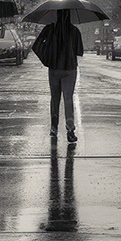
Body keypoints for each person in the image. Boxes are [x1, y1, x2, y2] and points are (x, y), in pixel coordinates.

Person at [33, 9, 84, 146]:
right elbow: (79, 51)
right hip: (70, 69)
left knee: (54, 99)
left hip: (54, 68)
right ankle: (70, 129)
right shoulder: (74, 31)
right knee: (68, 99)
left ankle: (54, 127)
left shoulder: (50, 29)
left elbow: (36, 46)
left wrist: (47, 58)